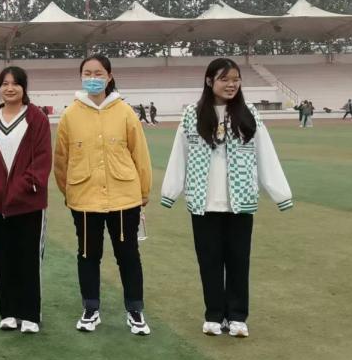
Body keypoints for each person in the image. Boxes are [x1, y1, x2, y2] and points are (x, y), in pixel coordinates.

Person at [161, 58, 293, 339]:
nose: (231, 84)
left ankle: (237, 316)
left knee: (238, 261)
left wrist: (280, 193)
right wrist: (170, 192)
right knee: (208, 261)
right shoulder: (192, 115)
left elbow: (265, 153)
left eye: (236, 79)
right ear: (210, 81)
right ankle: (213, 314)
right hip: (203, 202)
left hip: (240, 202)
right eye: (225, 79)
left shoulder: (249, 114)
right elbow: (179, 155)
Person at [54, 54, 153, 336]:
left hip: (124, 198)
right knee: (88, 255)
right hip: (84, 199)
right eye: (87, 73)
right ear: (81, 77)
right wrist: (70, 191)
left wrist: (143, 191)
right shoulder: (70, 115)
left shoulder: (125, 112)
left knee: (128, 255)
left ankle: (135, 310)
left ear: (109, 76)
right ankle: (91, 308)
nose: (93, 78)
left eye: (98, 73)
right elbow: (61, 159)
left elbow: (139, 153)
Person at [0, 66, 52, 333]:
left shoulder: (37, 119)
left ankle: (30, 314)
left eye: (15, 83)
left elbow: (42, 159)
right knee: (3, 257)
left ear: (24, 88)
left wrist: (22, 187)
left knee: (27, 258)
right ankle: (7, 311)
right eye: (5, 83)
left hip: (29, 203)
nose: (9, 88)